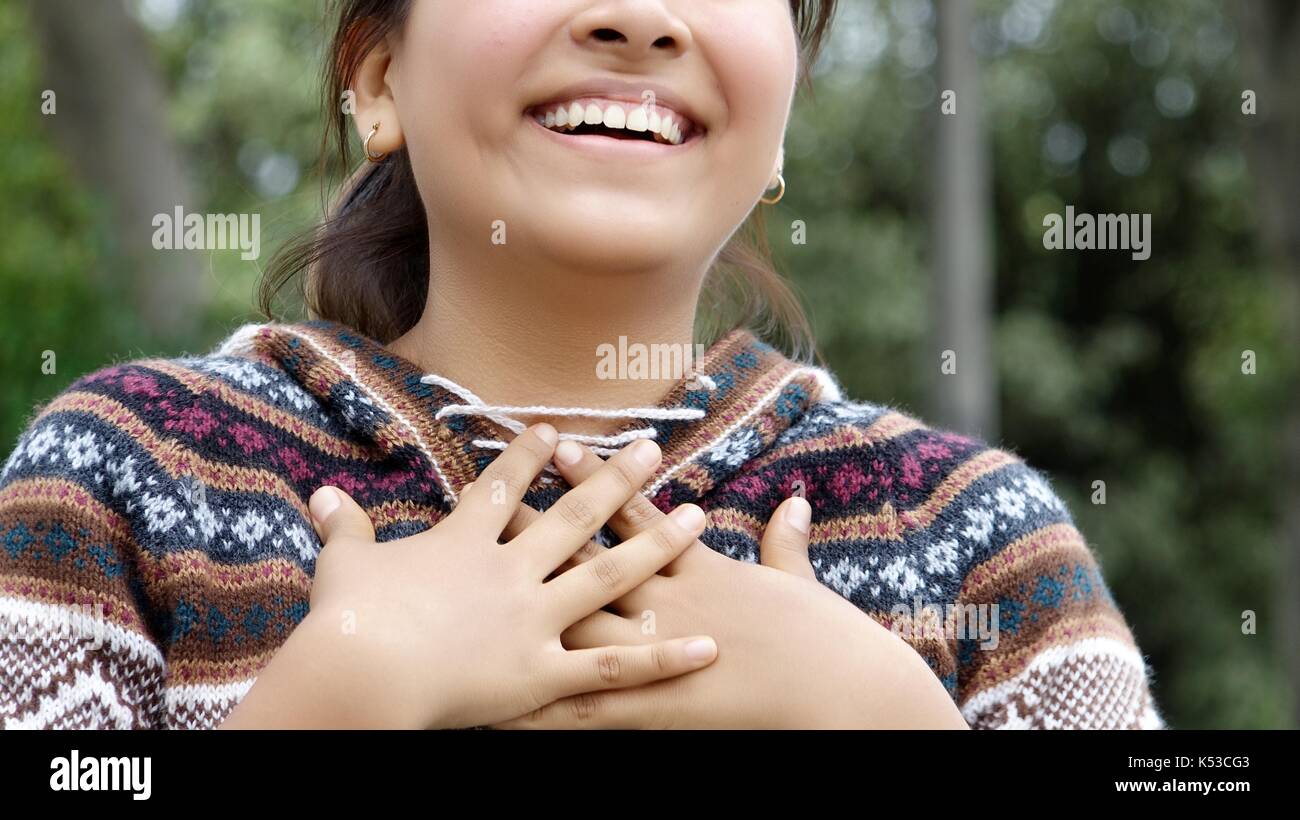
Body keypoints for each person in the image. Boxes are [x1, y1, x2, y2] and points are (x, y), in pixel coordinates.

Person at [0, 0, 1161, 729]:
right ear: (379, 82)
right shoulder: (118, 483)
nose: (642, 18)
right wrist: (337, 705)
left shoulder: (983, 543)